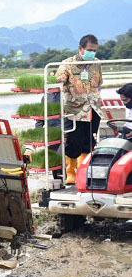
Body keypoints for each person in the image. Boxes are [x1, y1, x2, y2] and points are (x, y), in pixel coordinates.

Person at [56, 34, 103, 185]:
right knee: (72, 141)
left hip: (92, 108)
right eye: (89, 50)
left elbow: (100, 82)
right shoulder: (67, 63)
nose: (92, 53)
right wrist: (60, 80)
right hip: (74, 110)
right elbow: (59, 78)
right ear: (80, 49)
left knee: (89, 141)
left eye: (94, 50)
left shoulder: (96, 63)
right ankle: (71, 172)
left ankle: (84, 171)